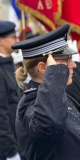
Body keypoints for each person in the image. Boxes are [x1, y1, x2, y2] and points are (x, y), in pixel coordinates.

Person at [13, 24, 80, 160]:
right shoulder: (31, 104)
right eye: (66, 60)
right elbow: (50, 122)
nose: (74, 65)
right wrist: (54, 74)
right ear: (43, 68)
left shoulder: (59, 96)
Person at [0, 21, 21, 160]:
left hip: (18, 139)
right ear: (1, 41)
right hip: (7, 147)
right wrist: (11, 151)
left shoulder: (10, 63)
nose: (17, 40)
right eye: (13, 37)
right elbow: (1, 112)